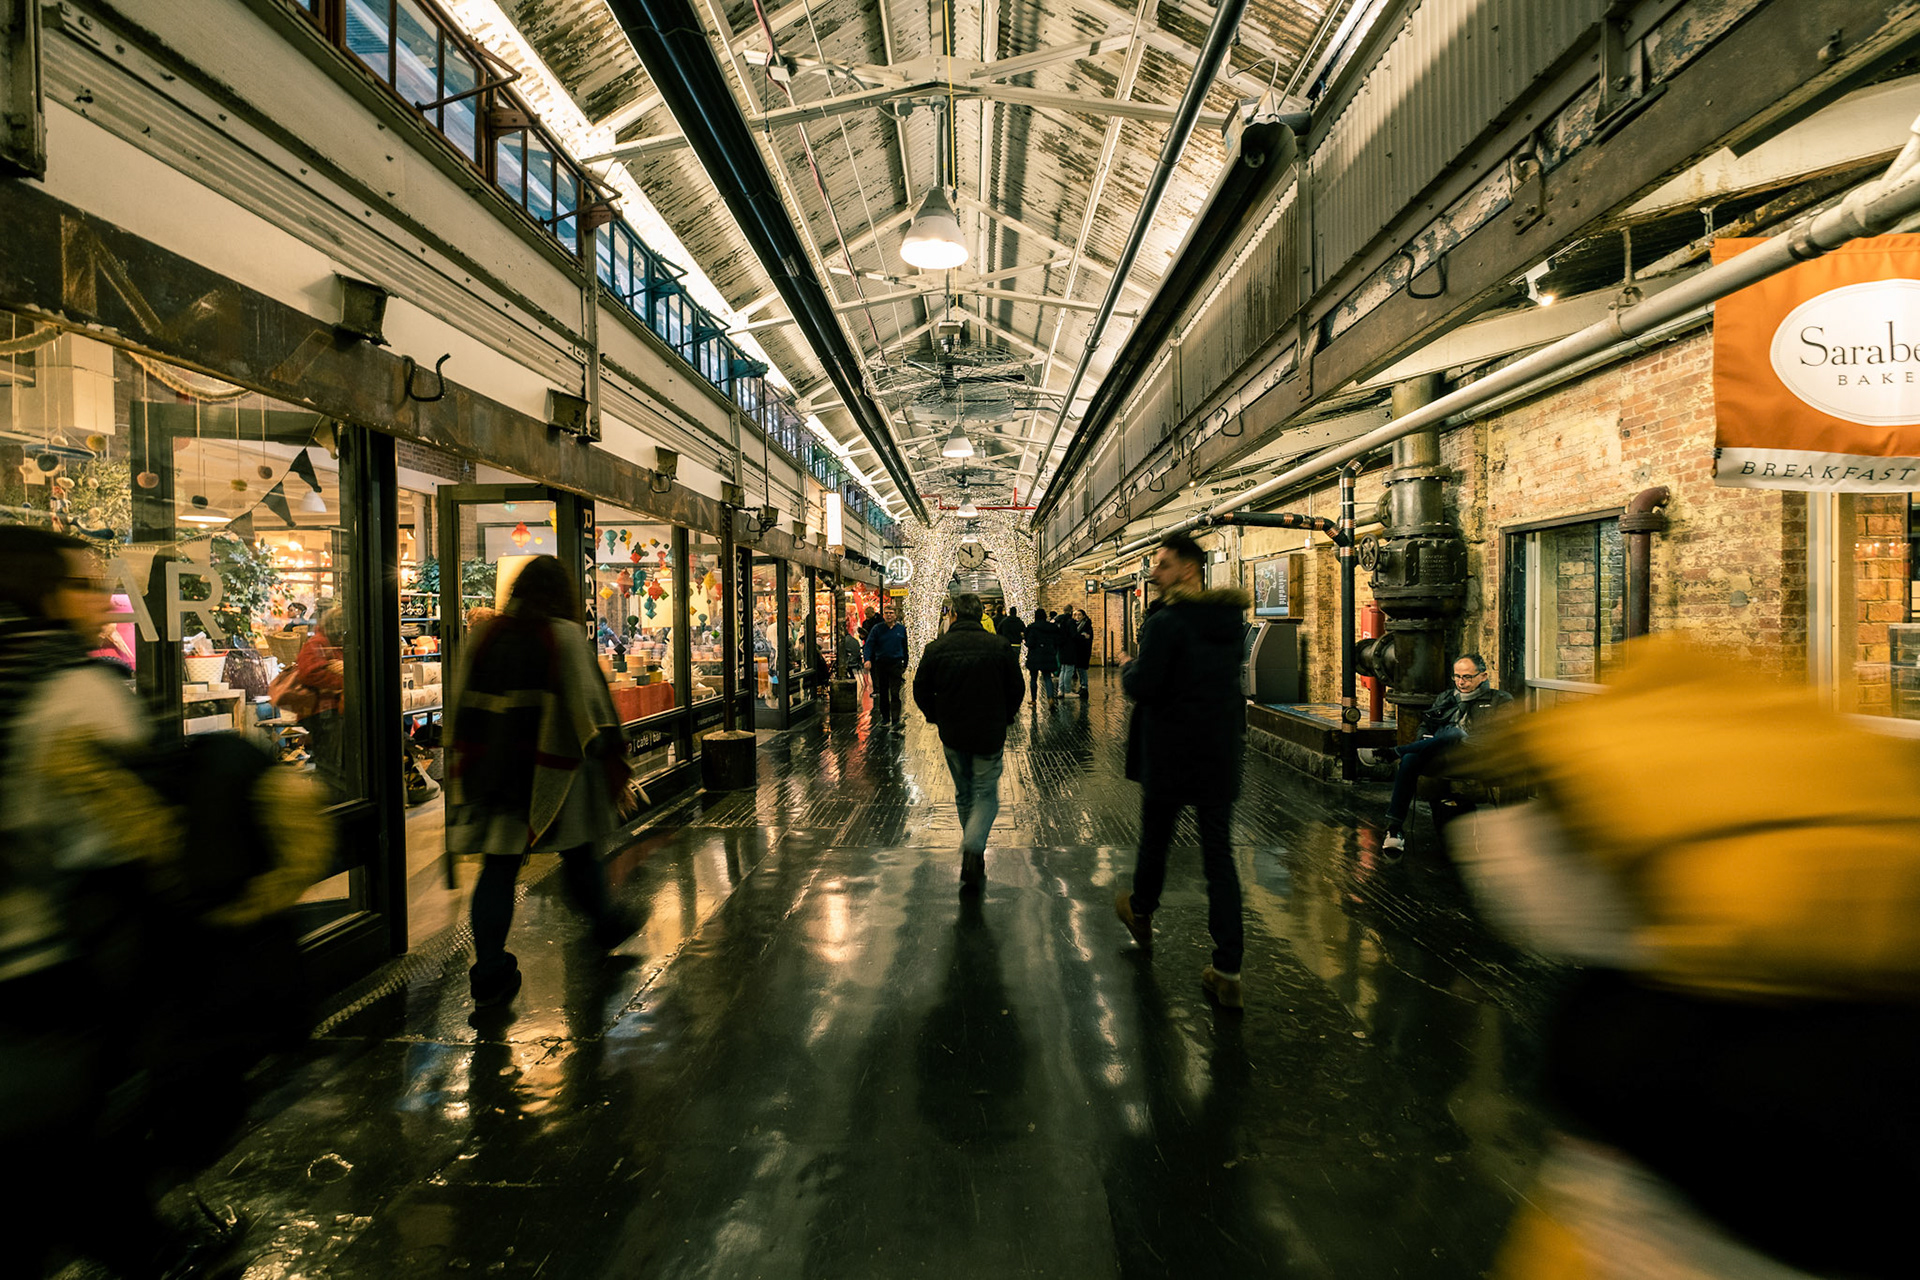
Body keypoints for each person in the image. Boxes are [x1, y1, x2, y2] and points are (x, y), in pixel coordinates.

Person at [0, 528, 251, 1278]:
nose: (104, 603)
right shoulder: (72, 685)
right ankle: (144, 1248)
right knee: (97, 1108)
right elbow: (134, 825)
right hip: (57, 942)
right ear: (43, 595)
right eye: (83, 585)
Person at [447, 555, 638, 1009]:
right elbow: (591, 709)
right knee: (577, 852)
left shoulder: (484, 636)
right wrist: (613, 761)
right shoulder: (564, 636)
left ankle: (490, 969)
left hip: (496, 770)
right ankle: (605, 921)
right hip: (553, 772)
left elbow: (458, 704)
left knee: (498, 868)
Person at [1114, 533, 1252, 1009]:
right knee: (1219, 857)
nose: (1155, 572)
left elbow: (1146, 685)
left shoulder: (1167, 622)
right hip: (1217, 750)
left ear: (1190, 569)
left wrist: (1129, 667)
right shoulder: (1230, 622)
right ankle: (1228, 969)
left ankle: (1142, 911)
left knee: (1156, 839)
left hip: (1170, 749)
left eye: (1164, 563)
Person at [912, 593, 1024, 892]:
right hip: (989, 733)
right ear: (981, 615)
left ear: (954, 616)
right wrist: (1006, 715)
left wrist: (936, 717)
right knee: (986, 795)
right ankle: (973, 848)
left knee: (964, 794)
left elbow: (920, 689)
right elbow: (1017, 688)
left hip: (953, 734)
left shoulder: (936, 648)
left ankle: (972, 850)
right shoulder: (999, 647)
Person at [1368, 653, 1513, 852]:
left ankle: (1394, 752)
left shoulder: (1500, 700)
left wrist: (1460, 739)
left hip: (1477, 758)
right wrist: (1427, 740)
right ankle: (1394, 830)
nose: (1461, 682)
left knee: (1453, 733)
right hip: (1443, 757)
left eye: (1467, 677)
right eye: (1457, 676)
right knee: (1411, 759)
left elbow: (1498, 736)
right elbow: (1425, 727)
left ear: (1484, 676)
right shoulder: (1446, 698)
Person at [862, 602, 909, 735]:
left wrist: (905, 663)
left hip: (895, 664)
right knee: (883, 692)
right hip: (881, 663)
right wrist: (867, 659)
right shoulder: (877, 629)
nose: (889, 615)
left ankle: (895, 720)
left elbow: (905, 647)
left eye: (891, 613)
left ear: (895, 615)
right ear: (883, 615)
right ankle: (885, 718)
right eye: (886, 613)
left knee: (895, 692)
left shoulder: (901, 629)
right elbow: (869, 645)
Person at [1024, 607, 1059, 703]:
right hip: (1048, 654)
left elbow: (1029, 642)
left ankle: (1033, 699)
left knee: (1033, 678)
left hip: (1035, 655)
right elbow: (1057, 640)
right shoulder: (1051, 627)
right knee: (1047, 677)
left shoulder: (1032, 627)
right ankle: (1050, 697)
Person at [1067, 607, 1094, 699]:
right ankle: (1082, 686)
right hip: (1077, 650)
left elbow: (1088, 637)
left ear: (1083, 616)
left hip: (1084, 651)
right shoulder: (1074, 625)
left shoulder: (1086, 625)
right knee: (1079, 669)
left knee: (1082, 669)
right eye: (1075, 615)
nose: (1077, 617)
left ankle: (1084, 687)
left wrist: (1081, 636)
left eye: (1079, 615)